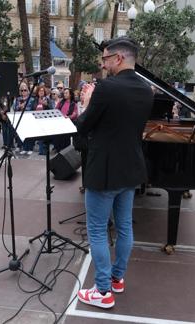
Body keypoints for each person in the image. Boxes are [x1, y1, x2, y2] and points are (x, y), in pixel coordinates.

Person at [76, 37, 153, 309]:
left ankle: (102, 291)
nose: (103, 64)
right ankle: (117, 278)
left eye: (106, 59)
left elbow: (83, 127)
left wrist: (84, 104)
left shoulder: (106, 88)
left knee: (97, 231)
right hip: (130, 170)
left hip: (104, 171)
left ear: (119, 58)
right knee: (125, 227)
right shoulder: (146, 91)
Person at [13, 83, 35, 154]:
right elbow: (14, 108)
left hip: (28, 118)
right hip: (20, 118)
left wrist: (25, 108)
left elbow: (32, 108)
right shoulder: (18, 99)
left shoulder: (31, 99)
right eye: (22, 90)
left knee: (29, 133)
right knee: (22, 133)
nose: (23, 92)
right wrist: (19, 107)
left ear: (28, 91)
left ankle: (30, 148)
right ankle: (25, 148)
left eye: (25, 90)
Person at [54, 88, 78, 152]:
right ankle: (57, 149)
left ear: (70, 95)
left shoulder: (74, 104)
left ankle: (65, 151)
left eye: (66, 93)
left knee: (66, 138)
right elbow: (56, 110)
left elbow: (75, 113)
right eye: (64, 93)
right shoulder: (61, 102)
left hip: (68, 123)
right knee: (58, 137)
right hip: (60, 122)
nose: (65, 94)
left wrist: (68, 117)